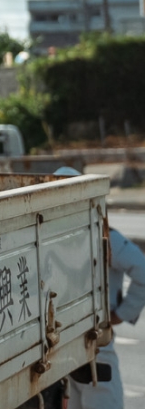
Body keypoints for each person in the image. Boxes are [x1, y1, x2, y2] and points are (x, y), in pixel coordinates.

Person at [55, 166, 145, 408]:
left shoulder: (96, 236)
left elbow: (143, 271)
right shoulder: (92, 234)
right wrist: (119, 315)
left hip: (77, 348)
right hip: (85, 349)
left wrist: (120, 314)